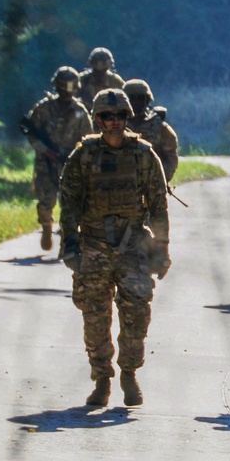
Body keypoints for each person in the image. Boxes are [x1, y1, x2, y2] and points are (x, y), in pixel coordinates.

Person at [58, 89, 170, 407]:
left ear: (127, 117)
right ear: (98, 120)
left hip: (133, 246)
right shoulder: (84, 155)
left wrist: (161, 247)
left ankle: (129, 373)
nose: (114, 122)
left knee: (136, 316)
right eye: (108, 117)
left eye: (120, 115)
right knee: (95, 317)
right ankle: (102, 379)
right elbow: (68, 203)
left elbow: (159, 204)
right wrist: (69, 244)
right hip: (93, 246)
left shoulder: (143, 154)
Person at [23, 66, 93, 251]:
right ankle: (46, 227)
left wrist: (76, 157)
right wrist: (46, 151)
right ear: (56, 87)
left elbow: (88, 140)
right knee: (45, 200)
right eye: (62, 88)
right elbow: (32, 133)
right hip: (45, 164)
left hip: (70, 165)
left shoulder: (80, 112)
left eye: (69, 89)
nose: (66, 92)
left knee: (69, 203)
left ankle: (66, 237)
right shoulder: (43, 109)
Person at [122, 79, 179, 182]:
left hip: (152, 183)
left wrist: (161, 178)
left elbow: (171, 157)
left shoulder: (159, 127)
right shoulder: (115, 123)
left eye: (140, 99)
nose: (136, 103)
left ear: (147, 100)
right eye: (132, 99)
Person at [77, 47, 126, 111]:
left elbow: (125, 101)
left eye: (103, 71)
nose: (99, 74)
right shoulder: (82, 79)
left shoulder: (115, 81)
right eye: (96, 71)